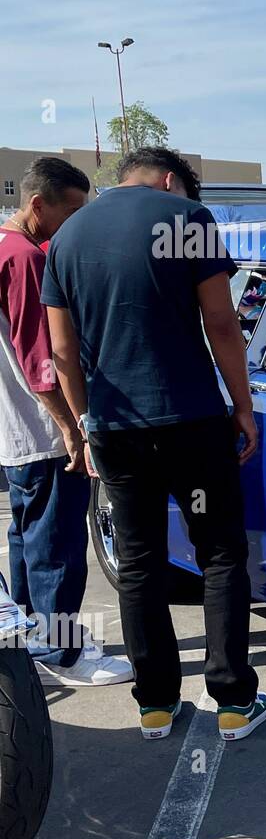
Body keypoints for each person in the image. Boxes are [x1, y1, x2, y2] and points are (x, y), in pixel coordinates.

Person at [42, 147, 266, 742]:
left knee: (139, 562)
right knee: (219, 554)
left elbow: (61, 354)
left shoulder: (65, 239)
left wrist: (84, 423)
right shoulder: (187, 220)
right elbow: (222, 322)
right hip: (190, 419)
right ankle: (231, 701)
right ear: (172, 183)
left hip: (115, 427)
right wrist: (243, 406)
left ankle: (155, 706)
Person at [0, 158, 132, 685]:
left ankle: (31, 638)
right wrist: (73, 430)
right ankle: (62, 652)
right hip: (42, 430)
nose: (77, 223)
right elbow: (43, 361)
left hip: (16, 433)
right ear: (38, 206)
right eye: (72, 211)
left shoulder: (7, 248)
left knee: (29, 536)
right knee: (55, 544)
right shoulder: (27, 258)